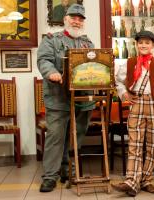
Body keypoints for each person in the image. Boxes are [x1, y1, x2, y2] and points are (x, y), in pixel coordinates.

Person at [112, 30, 154, 197]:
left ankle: (146, 180)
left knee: (153, 144)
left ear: (153, 46)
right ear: (136, 45)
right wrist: (123, 93)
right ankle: (131, 181)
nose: (143, 45)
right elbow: (117, 81)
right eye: (140, 42)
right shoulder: (129, 63)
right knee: (134, 144)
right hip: (137, 104)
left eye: (147, 43)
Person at [37, 4, 95, 193]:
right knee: (56, 136)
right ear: (65, 19)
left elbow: (95, 65)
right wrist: (52, 72)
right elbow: (43, 60)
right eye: (73, 17)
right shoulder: (51, 40)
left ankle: (67, 169)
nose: (77, 21)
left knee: (76, 136)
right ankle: (49, 177)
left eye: (80, 19)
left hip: (83, 99)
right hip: (58, 98)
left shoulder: (88, 43)